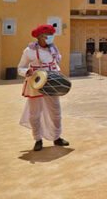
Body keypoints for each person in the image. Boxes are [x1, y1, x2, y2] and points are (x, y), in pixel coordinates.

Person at [18, 24, 69, 152]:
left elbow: (55, 65)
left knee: (55, 112)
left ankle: (57, 137)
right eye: (48, 35)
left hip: (52, 83)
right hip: (36, 84)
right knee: (34, 113)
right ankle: (38, 139)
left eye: (52, 35)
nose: (51, 38)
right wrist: (26, 72)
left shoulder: (54, 50)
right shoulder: (29, 51)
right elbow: (20, 68)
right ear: (40, 36)